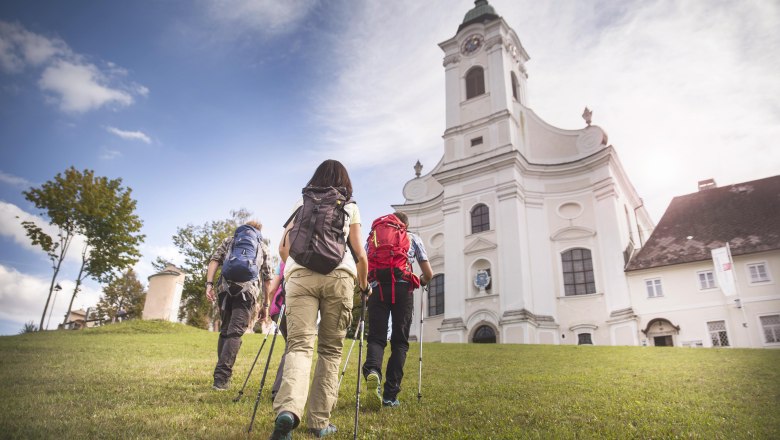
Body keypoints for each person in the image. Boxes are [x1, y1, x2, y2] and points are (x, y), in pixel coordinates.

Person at [270, 159, 370, 440]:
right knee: (330, 351)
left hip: (300, 277)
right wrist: (363, 285)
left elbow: (283, 247)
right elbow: (360, 253)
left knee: (299, 346)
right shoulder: (349, 206)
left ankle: (287, 412)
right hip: (339, 277)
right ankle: (318, 422)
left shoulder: (300, 204)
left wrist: (297, 269)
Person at [361, 211, 433, 407]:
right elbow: (428, 273)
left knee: (376, 337)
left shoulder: (374, 238)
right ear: (405, 226)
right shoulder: (413, 238)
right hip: (403, 289)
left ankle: (373, 372)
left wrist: (365, 287)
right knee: (400, 342)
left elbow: (364, 265)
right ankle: (390, 395)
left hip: (377, 290)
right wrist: (423, 281)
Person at [206, 220, 272, 391]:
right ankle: (221, 378)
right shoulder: (262, 246)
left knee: (226, 330)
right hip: (248, 291)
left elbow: (214, 261)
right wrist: (266, 305)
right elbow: (267, 280)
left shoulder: (230, 240)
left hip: (224, 289)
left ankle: (220, 376)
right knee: (235, 332)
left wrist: (209, 284)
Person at [268, 260, 287, 402]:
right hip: (294, 308)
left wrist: (270, 307)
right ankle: (279, 389)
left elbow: (272, 289)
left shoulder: (282, 262)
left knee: (291, 346)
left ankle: (280, 388)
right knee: (293, 347)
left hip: (277, 308)